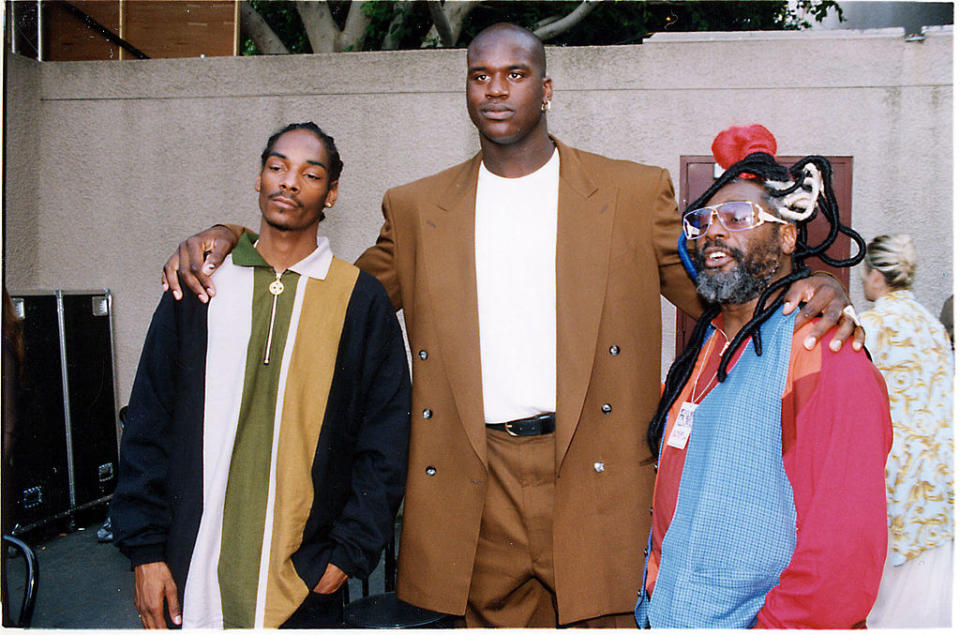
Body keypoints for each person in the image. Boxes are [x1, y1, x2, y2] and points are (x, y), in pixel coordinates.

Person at [160, 24, 861, 627]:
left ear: (546, 91)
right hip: (474, 481)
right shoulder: (416, 207)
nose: (496, 89)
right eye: (480, 76)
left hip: (597, 475)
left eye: (515, 74)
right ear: (466, 91)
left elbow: (722, 294)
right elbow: (332, 296)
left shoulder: (628, 191)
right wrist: (238, 237)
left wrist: (807, 282)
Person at [111, 123, 411, 629]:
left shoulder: (358, 301)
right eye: (277, 167)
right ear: (258, 179)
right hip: (188, 577)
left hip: (303, 586)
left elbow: (385, 441)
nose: (289, 182)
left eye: (309, 174)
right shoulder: (199, 285)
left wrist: (344, 559)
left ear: (331, 194)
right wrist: (145, 551)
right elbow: (148, 421)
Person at [635, 125, 891, 628]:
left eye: (736, 217)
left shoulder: (825, 350)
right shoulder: (704, 348)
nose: (713, 230)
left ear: (788, 234)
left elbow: (840, 555)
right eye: (701, 220)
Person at [860, 234, 953, 628]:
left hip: (892, 468)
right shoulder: (934, 326)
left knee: (886, 595)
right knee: (932, 591)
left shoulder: (869, 325)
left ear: (876, 276)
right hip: (942, 465)